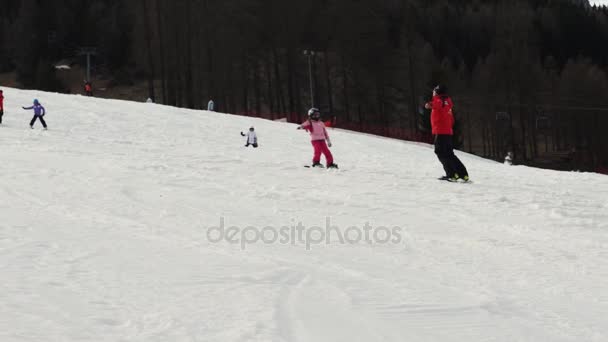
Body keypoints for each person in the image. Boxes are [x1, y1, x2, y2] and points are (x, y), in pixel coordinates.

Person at [425, 85, 469, 182]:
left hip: (441, 131)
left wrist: (429, 104)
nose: (433, 93)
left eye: (434, 91)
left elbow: (438, 104)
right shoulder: (447, 102)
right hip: (447, 131)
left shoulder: (439, 100)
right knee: (449, 154)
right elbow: (452, 119)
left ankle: (452, 175)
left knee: (440, 152)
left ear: (437, 92)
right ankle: (463, 174)